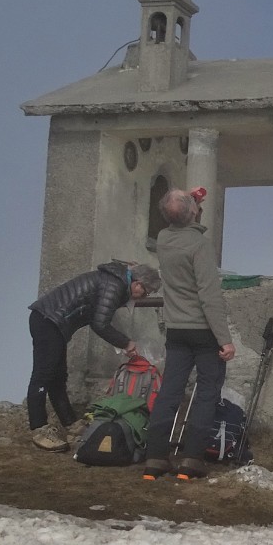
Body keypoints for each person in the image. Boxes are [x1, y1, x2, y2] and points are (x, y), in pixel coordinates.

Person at [142, 190, 236, 481]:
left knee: (170, 391)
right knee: (207, 392)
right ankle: (191, 459)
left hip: (176, 329)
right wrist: (224, 339)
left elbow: (179, 221)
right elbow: (209, 295)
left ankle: (156, 458)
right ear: (192, 213)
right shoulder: (200, 245)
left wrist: (193, 207)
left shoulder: (164, 240)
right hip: (203, 331)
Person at [26, 261, 161, 450]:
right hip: (48, 320)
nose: (143, 297)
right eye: (146, 292)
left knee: (58, 377)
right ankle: (39, 428)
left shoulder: (115, 282)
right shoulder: (114, 285)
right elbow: (100, 323)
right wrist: (125, 343)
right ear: (137, 284)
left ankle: (70, 423)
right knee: (43, 375)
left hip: (52, 321)